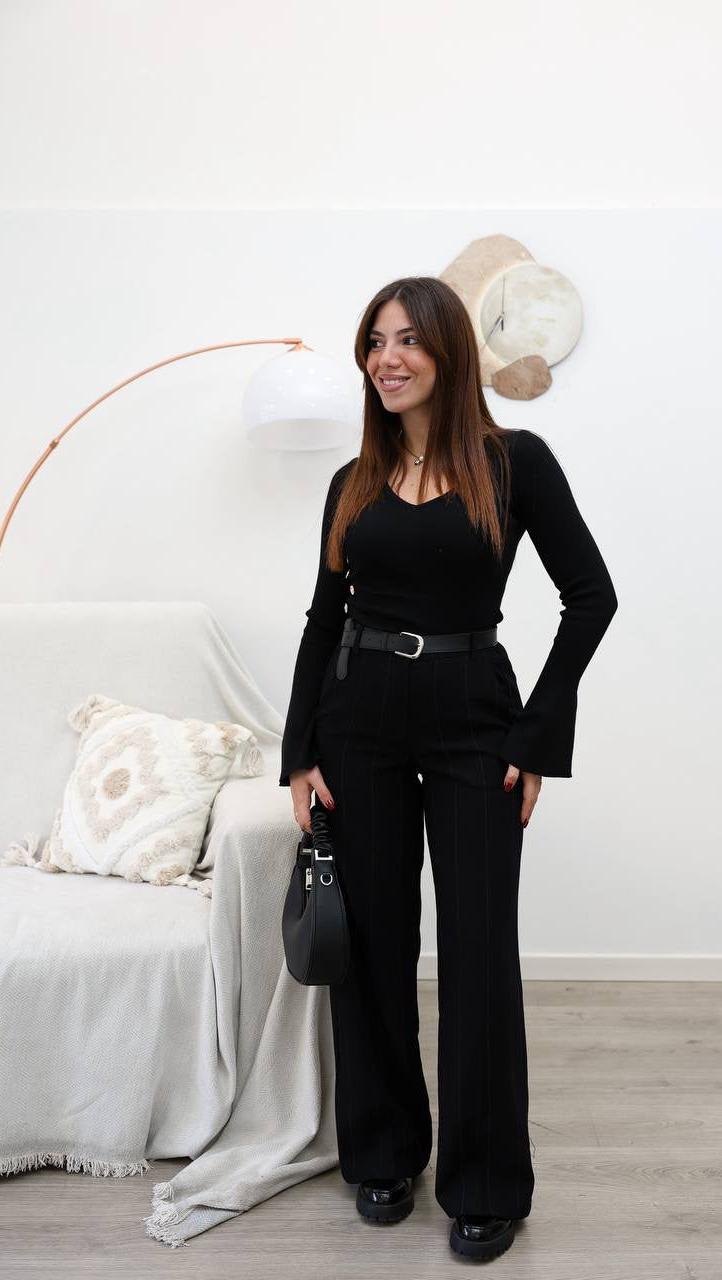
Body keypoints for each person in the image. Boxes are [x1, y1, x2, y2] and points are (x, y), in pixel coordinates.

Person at [279, 276, 618, 1261]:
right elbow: (324, 620)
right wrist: (298, 752)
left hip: (474, 714)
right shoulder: (353, 481)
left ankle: (486, 1182)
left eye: (406, 341)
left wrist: (535, 738)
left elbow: (590, 596)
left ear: (448, 352)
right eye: (374, 342)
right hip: (359, 721)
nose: (386, 359)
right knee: (373, 945)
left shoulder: (515, 462)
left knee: (477, 951)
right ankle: (383, 1153)